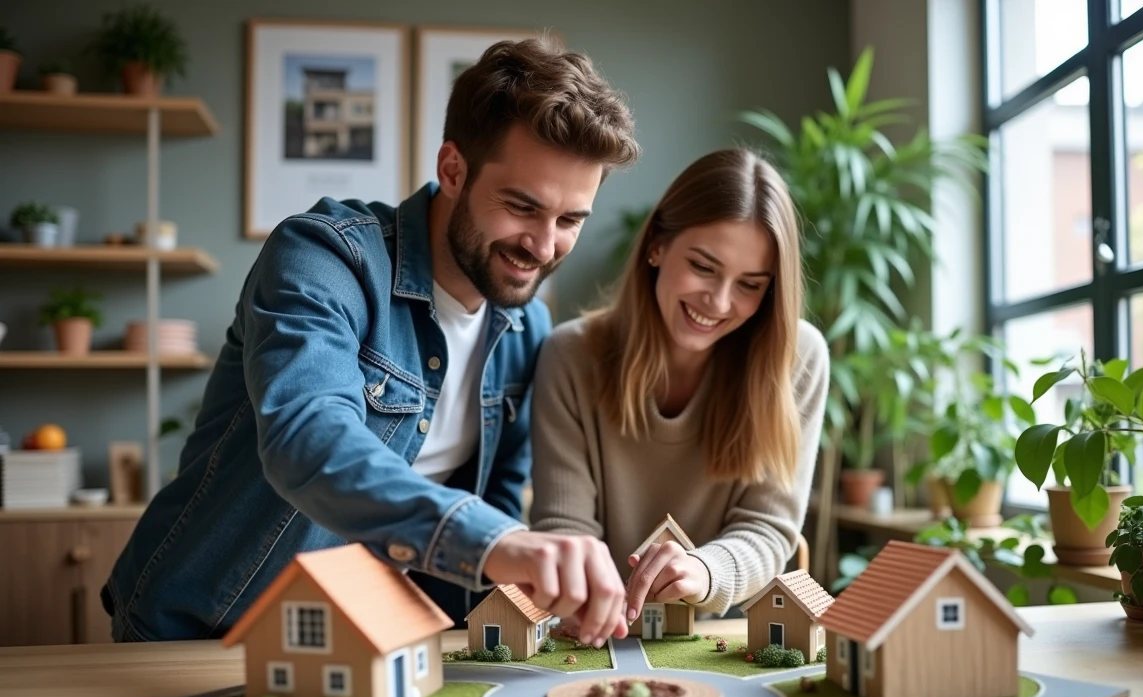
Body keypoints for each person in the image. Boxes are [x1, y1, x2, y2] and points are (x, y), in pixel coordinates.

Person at [103, 38, 641, 648]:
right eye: (522, 207)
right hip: (206, 631)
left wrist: (538, 597)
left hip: (374, 640)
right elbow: (309, 438)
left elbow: (495, 499)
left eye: (570, 220)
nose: (544, 248)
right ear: (453, 170)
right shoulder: (324, 257)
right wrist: (493, 541)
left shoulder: (526, 329)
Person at [530, 148, 829, 628]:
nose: (719, 301)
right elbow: (564, 529)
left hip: (726, 636)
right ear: (657, 247)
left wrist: (704, 571)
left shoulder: (797, 358)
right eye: (704, 267)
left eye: (750, 284)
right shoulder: (570, 356)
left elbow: (770, 529)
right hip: (594, 629)